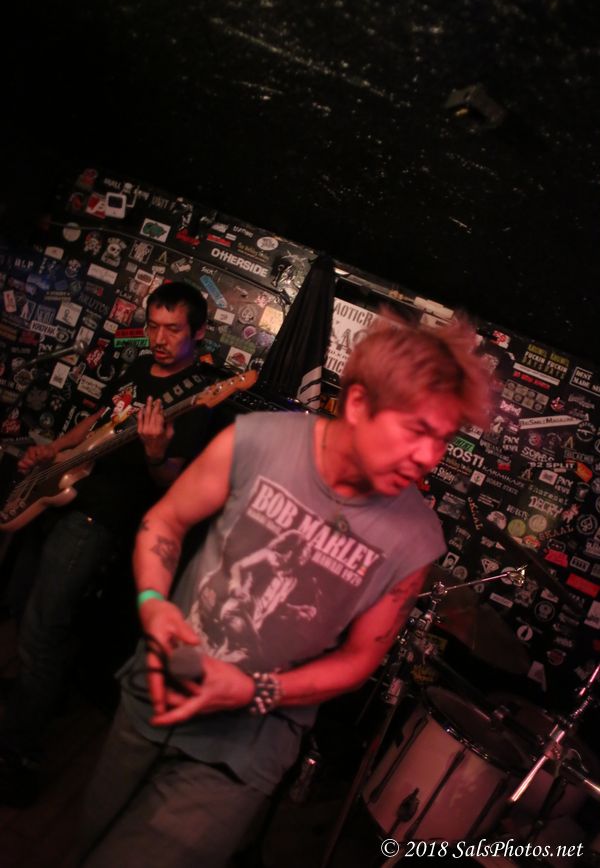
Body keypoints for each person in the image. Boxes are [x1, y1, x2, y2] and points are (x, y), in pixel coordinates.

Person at [78, 315, 490, 868]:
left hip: (244, 749)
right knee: (90, 842)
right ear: (359, 403)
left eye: (442, 439)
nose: (430, 457)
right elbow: (165, 522)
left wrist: (255, 690)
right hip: (153, 691)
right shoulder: (258, 439)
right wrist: (153, 606)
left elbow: (359, 659)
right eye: (417, 430)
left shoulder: (417, 538)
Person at [0, 281, 211, 806]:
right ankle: (34, 699)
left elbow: (174, 484)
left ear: (199, 333)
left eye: (173, 330)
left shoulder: (197, 398)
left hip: (98, 519)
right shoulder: (140, 368)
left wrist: (156, 453)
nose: (159, 339)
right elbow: (98, 423)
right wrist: (53, 451)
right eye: (153, 326)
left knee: (42, 631)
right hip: (63, 494)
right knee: (24, 608)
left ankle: (19, 756)